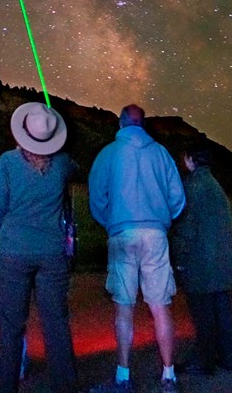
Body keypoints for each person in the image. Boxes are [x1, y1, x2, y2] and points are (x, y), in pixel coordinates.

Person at [0, 102, 79, 393]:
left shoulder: (7, 162)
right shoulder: (62, 164)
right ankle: (66, 387)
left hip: (12, 253)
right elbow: (75, 167)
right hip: (52, 252)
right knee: (56, 323)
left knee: (10, 328)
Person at [87, 104, 187, 393]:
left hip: (122, 233)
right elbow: (177, 197)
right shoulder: (161, 153)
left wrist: (111, 222)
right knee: (160, 306)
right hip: (156, 234)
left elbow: (97, 195)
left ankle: (122, 377)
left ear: (120, 124)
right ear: (143, 124)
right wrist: (162, 220)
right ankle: (168, 377)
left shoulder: (108, 153)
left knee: (124, 308)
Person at [170, 147, 232, 376]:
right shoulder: (215, 186)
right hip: (222, 263)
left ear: (191, 159)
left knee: (203, 315)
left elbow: (186, 229)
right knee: (223, 312)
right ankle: (230, 358)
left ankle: (204, 361)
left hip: (201, 263)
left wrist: (179, 260)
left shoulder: (192, 187)